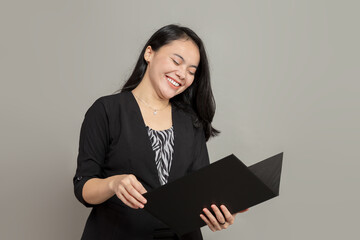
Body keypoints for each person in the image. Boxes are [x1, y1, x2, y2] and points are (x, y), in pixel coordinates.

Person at [73, 24, 246, 240]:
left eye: (192, 71)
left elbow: (199, 194)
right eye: (176, 61)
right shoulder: (107, 110)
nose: (182, 74)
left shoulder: (191, 123)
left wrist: (219, 212)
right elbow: (83, 186)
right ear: (149, 53)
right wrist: (113, 183)